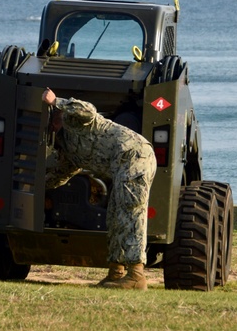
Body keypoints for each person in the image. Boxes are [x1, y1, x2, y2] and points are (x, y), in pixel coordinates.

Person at [41, 87, 157, 290]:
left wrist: (55, 101)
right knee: (114, 217)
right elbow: (60, 175)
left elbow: (87, 110)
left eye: (52, 120)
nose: (50, 126)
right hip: (121, 166)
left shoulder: (78, 121)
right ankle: (116, 272)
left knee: (130, 212)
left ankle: (137, 275)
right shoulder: (67, 147)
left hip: (134, 155)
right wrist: (35, 185)